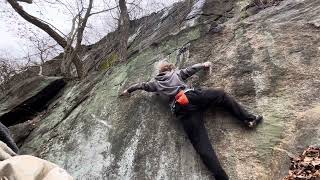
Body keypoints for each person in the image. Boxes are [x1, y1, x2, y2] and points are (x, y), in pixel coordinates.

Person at [120, 61, 263, 180]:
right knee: (221, 95)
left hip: (182, 110)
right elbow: (191, 69)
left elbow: (140, 85)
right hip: (190, 96)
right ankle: (249, 119)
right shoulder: (175, 73)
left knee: (202, 146)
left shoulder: (155, 84)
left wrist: (128, 91)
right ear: (171, 69)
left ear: (160, 72)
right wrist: (204, 65)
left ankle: (222, 178)